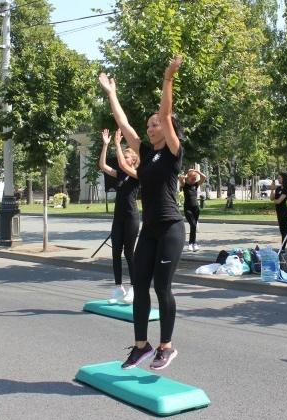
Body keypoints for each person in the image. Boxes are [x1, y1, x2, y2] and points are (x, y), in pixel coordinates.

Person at [99, 57, 184, 370]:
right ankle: (141, 345)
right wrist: (111, 94)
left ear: (169, 127)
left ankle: (166, 346)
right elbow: (124, 124)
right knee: (139, 286)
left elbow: (165, 112)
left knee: (162, 287)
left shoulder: (174, 152)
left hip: (171, 228)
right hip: (149, 229)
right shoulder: (146, 155)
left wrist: (167, 79)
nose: (150, 127)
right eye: (148, 125)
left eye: (156, 123)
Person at [98, 128, 140, 305]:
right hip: (118, 218)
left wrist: (117, 143)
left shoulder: (138, 175)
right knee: (116, 253)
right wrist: (106, 145)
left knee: (129, 254)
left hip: (131, 217)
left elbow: (122, 165)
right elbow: (103, 166)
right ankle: (118, 288)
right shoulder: (121, 174)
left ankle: (133, 289)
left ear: (134, 160)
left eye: (126, 155)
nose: (123, 157)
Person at [179, 168, 206, 252]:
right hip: (188, 208)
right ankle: (191, 243)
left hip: (196, 208)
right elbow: (180, 178)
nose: (194, 180)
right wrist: (187, 174)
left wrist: (197, 172)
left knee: (193, 226)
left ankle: (193, 243)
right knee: (193, 225)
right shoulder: (184, 185)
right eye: (193, 178)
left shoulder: (196, 185)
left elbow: (204, 177)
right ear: (189, 177)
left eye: (195, 178)